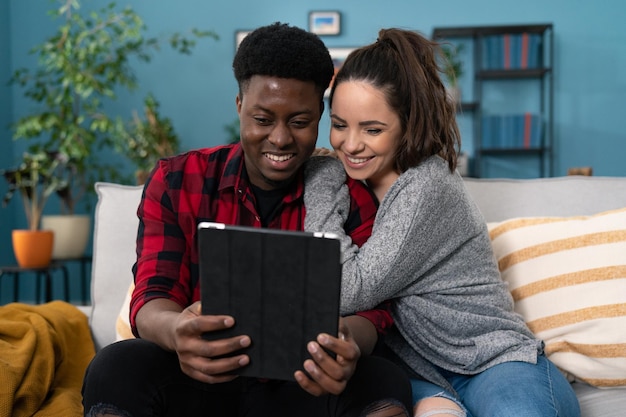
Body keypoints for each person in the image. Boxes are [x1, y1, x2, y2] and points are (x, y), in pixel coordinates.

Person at [81, 22, 413, 417]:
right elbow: (153, 293)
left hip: (305, 383)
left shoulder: (352, 190)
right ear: (239, 105)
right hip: (201, 380)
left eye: (300, 121)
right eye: (262, 119)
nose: (280, 139)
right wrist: (177, 333)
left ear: (320, 115)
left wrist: (349, 342)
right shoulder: (176, 180)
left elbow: (377, 309)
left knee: (383, 380)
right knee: (115, 367)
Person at [304, 28, 581, 417]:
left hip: (492, 362)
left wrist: (321, 177)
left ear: (407, 125)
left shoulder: (426, 187)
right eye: (339, 124)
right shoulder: (360, 186)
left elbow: (347, 289)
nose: (350, 144)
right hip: (418, 371)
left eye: (372, 129)